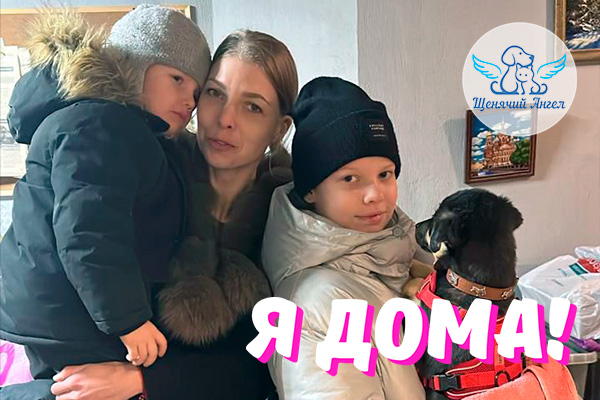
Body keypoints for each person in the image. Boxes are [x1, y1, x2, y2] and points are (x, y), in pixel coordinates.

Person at [49, 30, 299, 400]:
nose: (225, 119)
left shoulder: (289, 219)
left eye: (252, 107)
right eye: (214, 93)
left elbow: (275, 358)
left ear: (279, 128)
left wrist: (144, 381)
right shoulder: (147, 173)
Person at [0, 5, 210, 399]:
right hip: (72, 310)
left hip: (61, 307)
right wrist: (129, 321)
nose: (189, 100)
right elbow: (89, 232)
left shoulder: (112, 127)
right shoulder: (102, 125)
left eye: (197, 92)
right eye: (177, 79)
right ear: (134, 65)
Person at [261, 77, 426, 400]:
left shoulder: (409, 256)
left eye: (385, 174)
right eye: (350, 178)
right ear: (311, 190)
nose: (374, 194)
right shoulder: (315, 305)